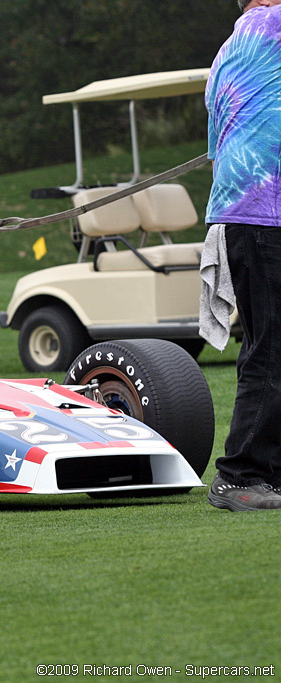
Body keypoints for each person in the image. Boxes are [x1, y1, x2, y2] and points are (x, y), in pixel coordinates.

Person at [204, 0, 281, 510]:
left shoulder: (228, 50)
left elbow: (214, 147)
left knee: (267, 349)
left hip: (243, 214)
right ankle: (241, 476)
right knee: (271, 354)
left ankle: (263, 471)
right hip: (264, 212)